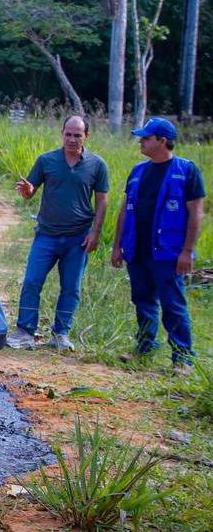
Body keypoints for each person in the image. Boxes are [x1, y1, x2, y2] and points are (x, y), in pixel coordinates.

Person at [6, 115, 109, 352]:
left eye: (77, 135)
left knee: (71, 287)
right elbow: (30, 191)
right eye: (68, 134)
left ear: (86, 136)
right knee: (32, 281)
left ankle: (61, 334)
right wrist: (27, 190)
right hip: (47, 235)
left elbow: (102, 201)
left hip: (78, 238)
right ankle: (25, 331)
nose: (72, 139)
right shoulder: (46, 161)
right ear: (62, 133)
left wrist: (96, 233)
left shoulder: (97, 165)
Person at [111, 117, 206, 374]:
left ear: (162, 141)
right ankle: (144, 348)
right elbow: (124, 210)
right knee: (142, 300)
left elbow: (196, 213)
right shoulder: (138, 171)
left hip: (169, 252)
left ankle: (183, 357)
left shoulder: (187, 171)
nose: (140, 141)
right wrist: (117, 245)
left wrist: (187, 251)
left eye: (146, 137)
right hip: (138, 250)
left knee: (173, 304)